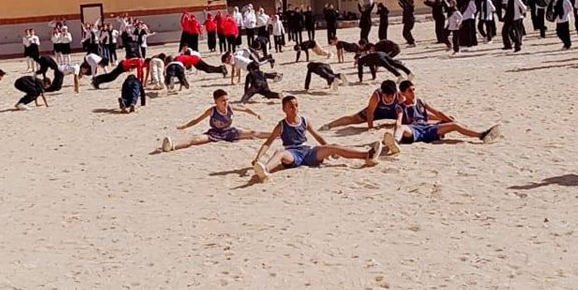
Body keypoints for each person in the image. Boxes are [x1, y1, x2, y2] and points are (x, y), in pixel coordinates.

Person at [250, 95, 383, 181]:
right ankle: (265, 170)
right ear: (284, 109)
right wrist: (257, 158)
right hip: (292, 153)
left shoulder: (304, 120)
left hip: (307, 151)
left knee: (334, 147)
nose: (294, 108)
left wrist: (327, 148)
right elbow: (268, 143)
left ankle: (367, 155)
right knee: (280, 152)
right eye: (290, 106)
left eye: (296, 105)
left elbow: (317, 136)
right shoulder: (281, 125)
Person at [379, 80, 502, 152]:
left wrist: (450, 120)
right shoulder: (400, 106)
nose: (413, 92)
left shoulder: (420, 101)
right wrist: (397, 128)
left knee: (454, 125)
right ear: (403, 93)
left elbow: (437, 113)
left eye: (413, 89)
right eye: (410, 91)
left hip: (428, 128)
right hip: (413, 130)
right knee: (402, 127)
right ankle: (394, 143)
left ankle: (482, 135)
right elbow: (399, 120)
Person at [160, 89, 269, 152]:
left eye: (227, 100)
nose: (226, 102)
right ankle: (173, 146)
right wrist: (184, 126)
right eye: (222, 100)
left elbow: (245, 109)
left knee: (253, 133)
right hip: (214, 133)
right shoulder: (212, 111)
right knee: (195, 140)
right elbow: (197, 120)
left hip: (229, 131)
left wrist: (256, 114)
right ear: (216, 101)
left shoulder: (230, 107)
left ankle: (274, 135)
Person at [321, 79, 403, 131]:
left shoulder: (400, 95)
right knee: (354, 119)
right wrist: (370, 127)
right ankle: (330, 125)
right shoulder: (376, 95)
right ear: (383, 93)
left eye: (392, 96)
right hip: (377, 111)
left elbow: (402, 110)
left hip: (393, 111)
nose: (390, 98)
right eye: (387, 96)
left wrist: (399, 121)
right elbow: (370, 112)